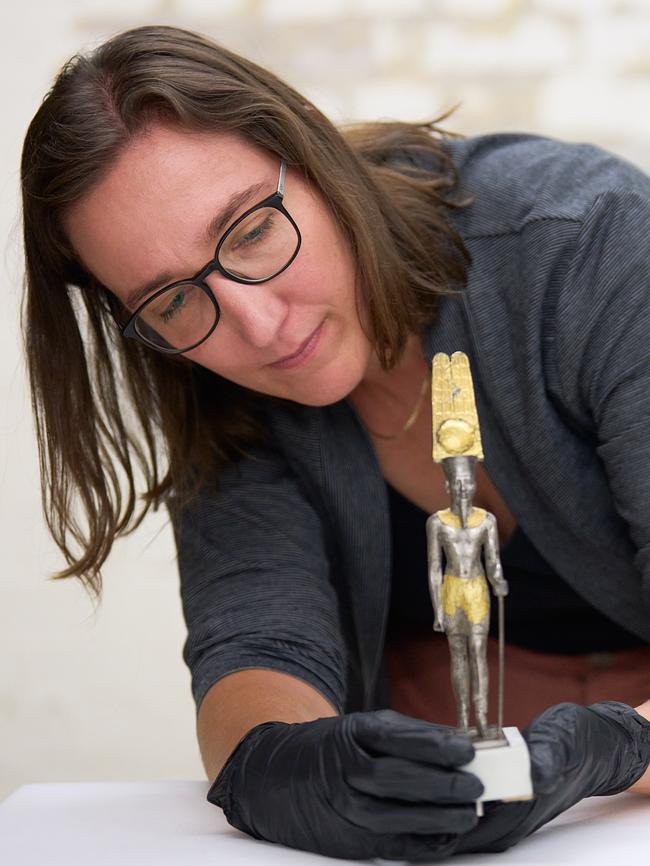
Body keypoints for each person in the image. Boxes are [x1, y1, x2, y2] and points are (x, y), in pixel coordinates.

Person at [20, 24, 650, 862]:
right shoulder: (219, 391)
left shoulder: (582, 242)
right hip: (464, 773)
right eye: (172, 301)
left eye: (249, 232)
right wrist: (286, 766)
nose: (257, 323)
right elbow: (254, 656)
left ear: (313, 160)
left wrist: (609, 751)